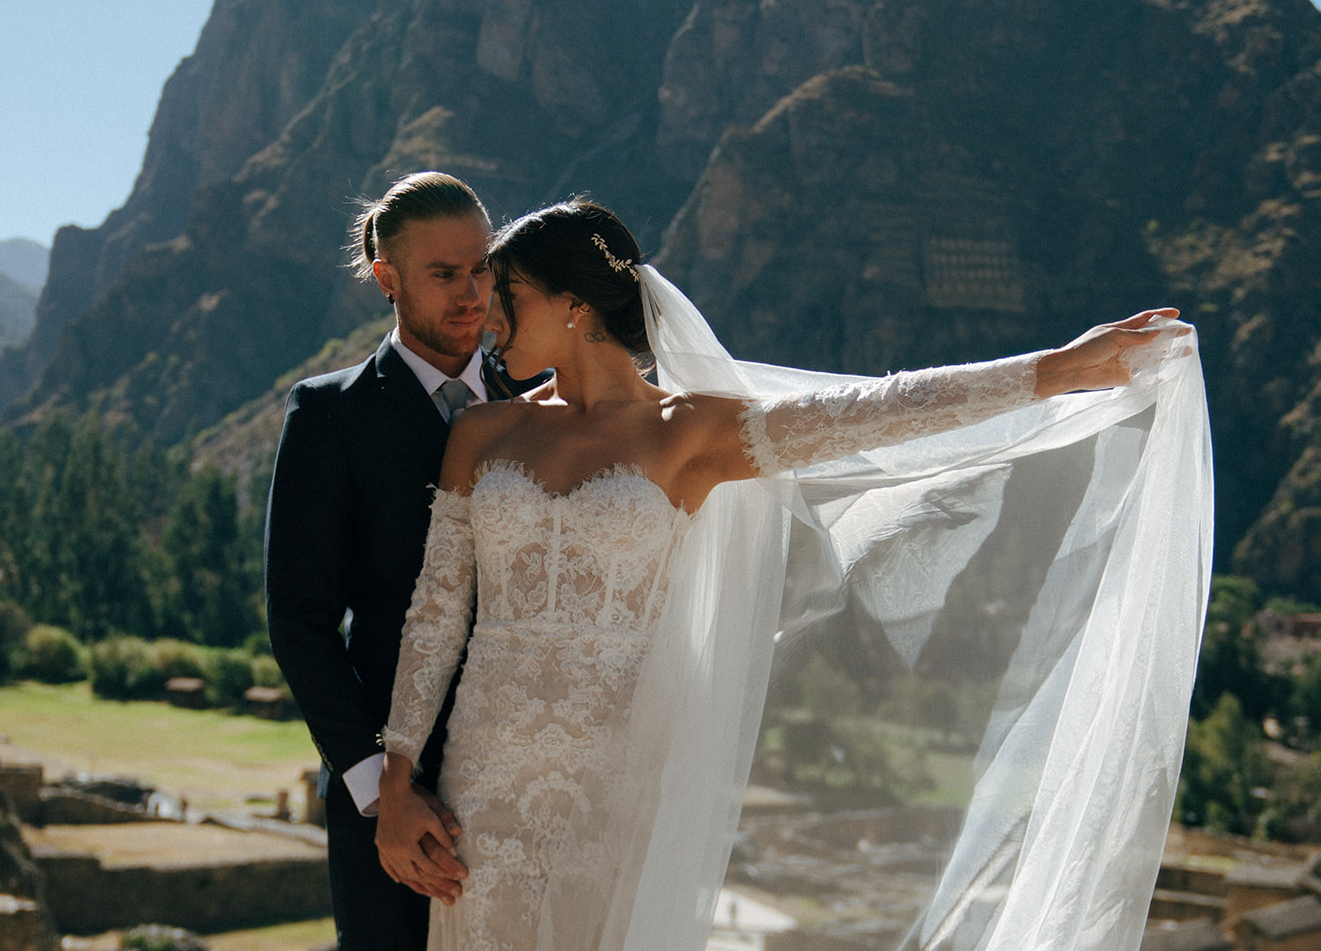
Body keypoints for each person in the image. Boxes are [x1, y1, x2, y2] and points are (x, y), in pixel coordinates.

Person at [375, 198, 1212, 950]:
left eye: (508, 294)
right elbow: (437, 615)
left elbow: (881, 411)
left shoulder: (691, 434)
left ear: (573, 303)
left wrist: (1059, 369)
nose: (488, 318)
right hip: (483, 779)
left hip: (622, 773)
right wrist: (401, 778)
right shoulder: (480, 434)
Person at [265, 172, 539, 950]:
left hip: (532, 778)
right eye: (444, 274)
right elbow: (299, 618)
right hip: (398, 799)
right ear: (387, 278)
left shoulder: (542, 398)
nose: (472, 293)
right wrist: (378, 794)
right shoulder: (329, 414)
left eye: (482, 267)